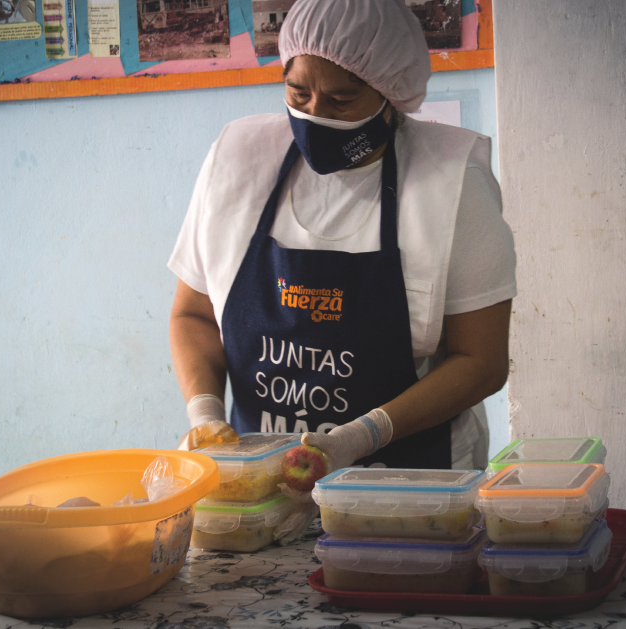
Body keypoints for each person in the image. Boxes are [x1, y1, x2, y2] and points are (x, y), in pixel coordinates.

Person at [167, 0, 515, 483]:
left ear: (391, 93)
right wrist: (205, 415)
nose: (314, 115)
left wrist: (359, 436)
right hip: (258, 486)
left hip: (406, 489)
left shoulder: (452, 181)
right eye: (297, 92)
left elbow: (481, 361)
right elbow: (194, 314)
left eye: (341, 101)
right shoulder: (238, 160)